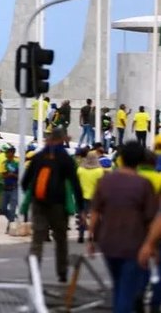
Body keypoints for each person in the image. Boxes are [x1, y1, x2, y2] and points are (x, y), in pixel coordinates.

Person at [88, 142, 156, 313]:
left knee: (119, 285)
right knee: (126, 291)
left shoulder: (105, 181)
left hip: (108, 243)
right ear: (140, 161)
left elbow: (95, 212)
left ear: (121, 158)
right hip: (133, 245)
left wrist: (90, 239)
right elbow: (152, 219)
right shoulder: (143, 184)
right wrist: (150, 244)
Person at [22, 128, 84, 282]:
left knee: (37, 240)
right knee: (61, 239)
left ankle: (33, 275)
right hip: (58, 204)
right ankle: (62, 273)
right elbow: (75, 184)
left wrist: (33, 198)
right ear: (62, 139)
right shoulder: (65, 158)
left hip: (39, 203)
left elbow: (25, 182)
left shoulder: (38, 157)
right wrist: (80, 208)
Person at [76, 151, 104, 244]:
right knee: (96, 216)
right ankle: (95, 235)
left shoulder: (80, 169)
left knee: (82, 215)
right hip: (95, 196)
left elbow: (77, 182)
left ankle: (81, 235)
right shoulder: (99, 171)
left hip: (83, 196)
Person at [0, 145, 18, 233]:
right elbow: (2, 175)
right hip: (5, 188)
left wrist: (13, 175)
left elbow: (21, 175)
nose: (6, 154)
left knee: (13, 208)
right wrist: (8, 175)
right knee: (2, 208)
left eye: (8, 152)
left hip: (14, 188)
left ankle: (10, 225)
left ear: (12, 153)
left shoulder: (18, 162)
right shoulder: (4, 163)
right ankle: (12, 218)